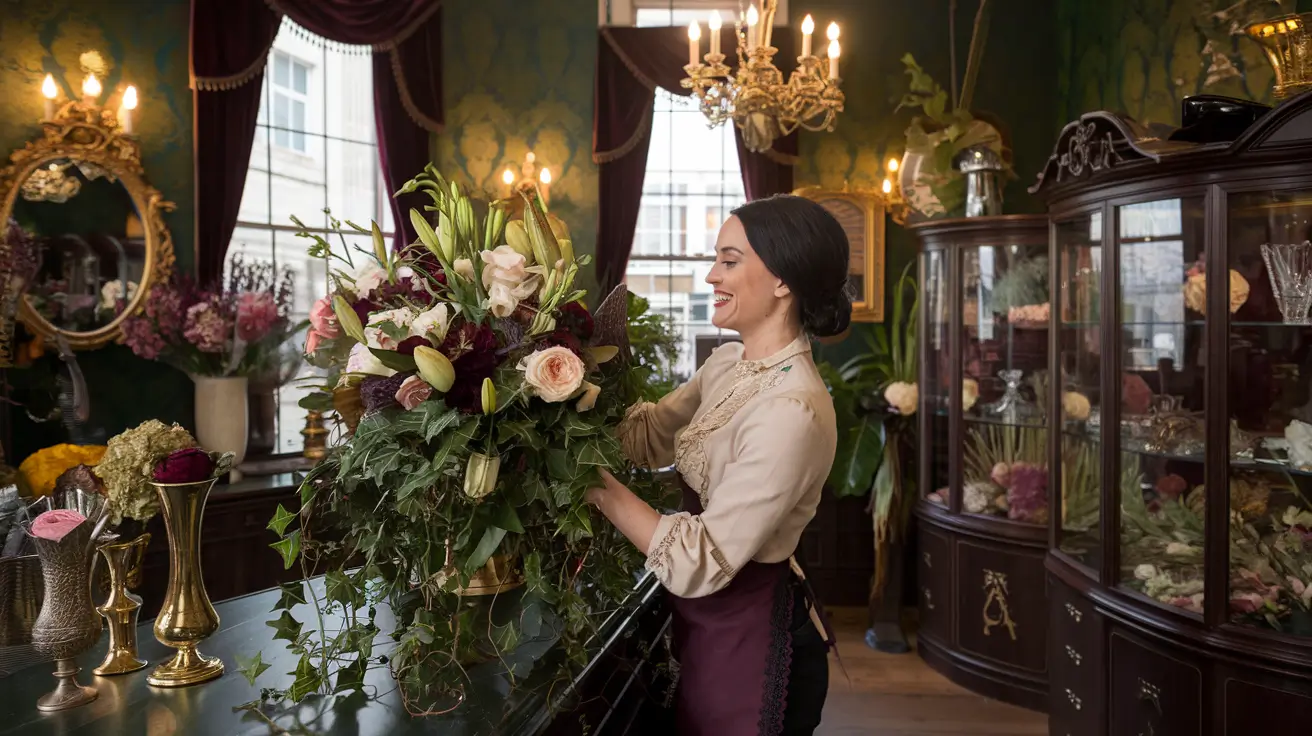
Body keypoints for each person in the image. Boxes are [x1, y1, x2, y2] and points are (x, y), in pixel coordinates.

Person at [585, 194, 852, 735]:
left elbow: (698, 559)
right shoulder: (729, 363)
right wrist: (564, 385)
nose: (711, 275)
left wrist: (591, 482)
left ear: (783, 279)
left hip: (755, 636)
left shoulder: (791, 410)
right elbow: (648, 437)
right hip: (703, 624)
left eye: (729, 261)